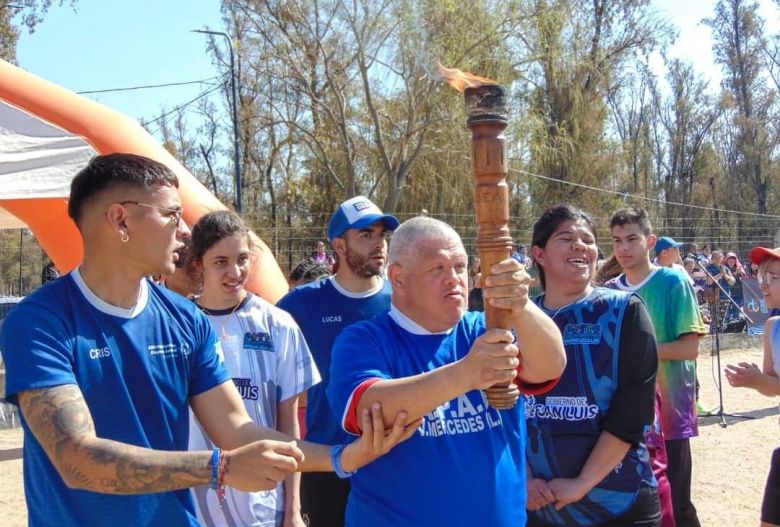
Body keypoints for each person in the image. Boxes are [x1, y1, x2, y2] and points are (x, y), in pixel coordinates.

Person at [0, 154, 415, 527]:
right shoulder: (39, 322)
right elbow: (76, 458)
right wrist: (219, 468)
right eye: (172, 214)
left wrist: (341, 458)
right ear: (120, 220)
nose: (185, 231)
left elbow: (236, 427)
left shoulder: (184, 318)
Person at [327, 216, 567, 527]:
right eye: (437, 269)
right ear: (397, 278)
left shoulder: (488, 326)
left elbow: (551, 365)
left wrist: (521, 305)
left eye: (459, 267)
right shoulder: (363, 339)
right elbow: (369, 410)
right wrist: (466, 374)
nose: (454, 278)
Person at [524, 205, 659, 526]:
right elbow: (500, 409)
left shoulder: (623, 311)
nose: (580, 245)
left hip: (618, 500)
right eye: (567, 238)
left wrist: (581, 483)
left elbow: (633, 414)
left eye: (588, 239)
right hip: (539, 503)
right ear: (539, 255)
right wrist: (525, 479)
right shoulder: (518, 320)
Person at [187, 210, 320, 527]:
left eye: (242, 258)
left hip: (261, 508)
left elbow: (288, 423)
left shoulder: (277, 324)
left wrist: (292, 511)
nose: (235, 271)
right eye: (221, 261)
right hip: (192, 502)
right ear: (198, 264)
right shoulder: (178, 323)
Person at [277, 195, 399, 526]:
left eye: (381, 235)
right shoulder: (301, 304)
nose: (378, 245)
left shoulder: (403, 299)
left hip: (394, 462)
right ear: (339, 247)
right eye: (366, 235)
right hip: (327, 464)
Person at [609, 206, 707, 527]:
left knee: (678, 502)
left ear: (650, 241)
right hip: (627, 414)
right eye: (617, 240)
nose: (624, 248)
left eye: (632, 239)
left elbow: (690, 348)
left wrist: (639, 355)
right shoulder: (608, 291)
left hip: (670, 412)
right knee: (635, 502)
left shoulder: (673, 282)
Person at [725, 246, 780, 527]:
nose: (762, 284)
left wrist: (760, 380)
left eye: (772, 277)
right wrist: (755, 381)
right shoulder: (773, 326)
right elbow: (773, 388)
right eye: (760, 275)